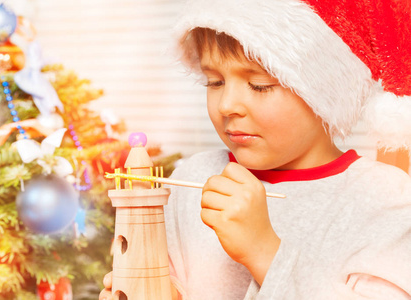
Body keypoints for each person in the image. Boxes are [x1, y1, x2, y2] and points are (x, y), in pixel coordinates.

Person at [100, 0, 411, 299]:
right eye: (214, 82)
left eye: (259, 85)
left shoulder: (383, 197)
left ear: (323, 92)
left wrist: (263, 252)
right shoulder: (193, 178)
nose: (227, 105)